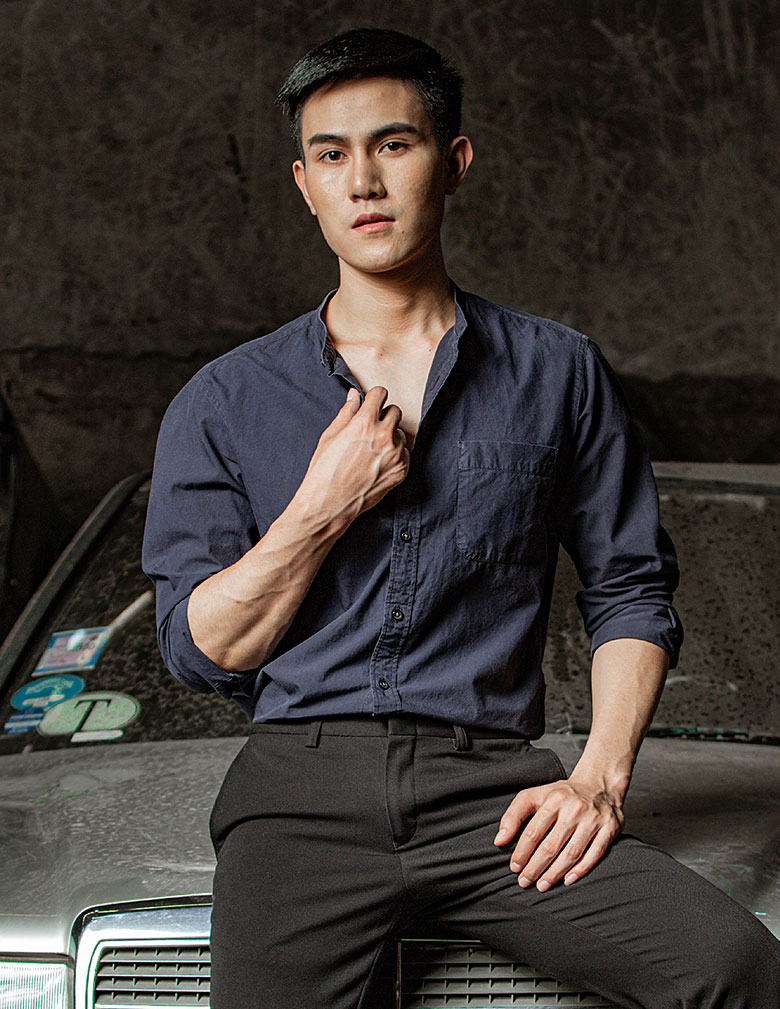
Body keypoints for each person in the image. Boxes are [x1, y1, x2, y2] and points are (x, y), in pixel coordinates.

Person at [141, 27, 780, 1009]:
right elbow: (203, 648)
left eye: (393, 145)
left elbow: (631, 589)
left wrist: (599, 777)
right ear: (303, 184)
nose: (363, 181)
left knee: (736, 967)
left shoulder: (558, 372)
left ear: (454, 162)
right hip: (300, 800)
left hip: (490, 794)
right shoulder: (223, 401)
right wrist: (321, 506)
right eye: (331, 155)